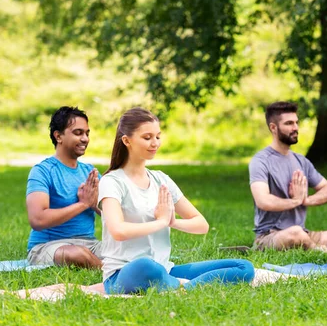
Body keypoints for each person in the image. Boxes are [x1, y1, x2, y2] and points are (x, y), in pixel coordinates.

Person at [98, 107, 255, 294]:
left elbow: (201, 224)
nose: (155, 143)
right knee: (147, 266)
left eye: (158, 136)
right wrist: (161, 222)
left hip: (165, 269)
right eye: (147, 137)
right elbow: (118, 231)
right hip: (123, 274)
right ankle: (177, 285)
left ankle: (180, 288)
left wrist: (172, 222)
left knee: (243, 267)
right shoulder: (112, 182)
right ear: (126, 141)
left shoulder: (161, 180)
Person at [249, 101, 327, 251]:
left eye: (296, 122)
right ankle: (323, 251)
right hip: (270, 237)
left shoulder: (301, 161)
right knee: (295, 233)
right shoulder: (260, 161)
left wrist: (305, 200)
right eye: (289, 123)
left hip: (304, 233)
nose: (295, 128)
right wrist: (294, 201)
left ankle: (323, 247)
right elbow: (262, 200)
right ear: (273, 127)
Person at [25, 106, 102, 268]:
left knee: (132, 248)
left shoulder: (89, 172)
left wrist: (95, 205)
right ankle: (109, 273)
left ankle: (104, 265)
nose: (85, 139)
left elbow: (115, 215)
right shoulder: (42, 171)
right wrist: (83, 204)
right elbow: (37, 219)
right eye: (78, 133)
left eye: (87, 133)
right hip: (49, 247)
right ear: (58, 136)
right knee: (77, 254)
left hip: (90, 244)